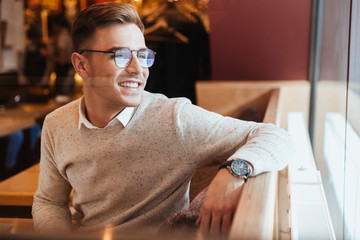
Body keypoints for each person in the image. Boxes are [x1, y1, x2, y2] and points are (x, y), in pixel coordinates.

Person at [32, 2, 293, 237]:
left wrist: (234, 171)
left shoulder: (174, 118)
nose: (138, 68)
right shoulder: (57, 124)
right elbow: (50, 202)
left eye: (143, 55)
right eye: (120, 56)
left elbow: (277, 136)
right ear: (81, 65)